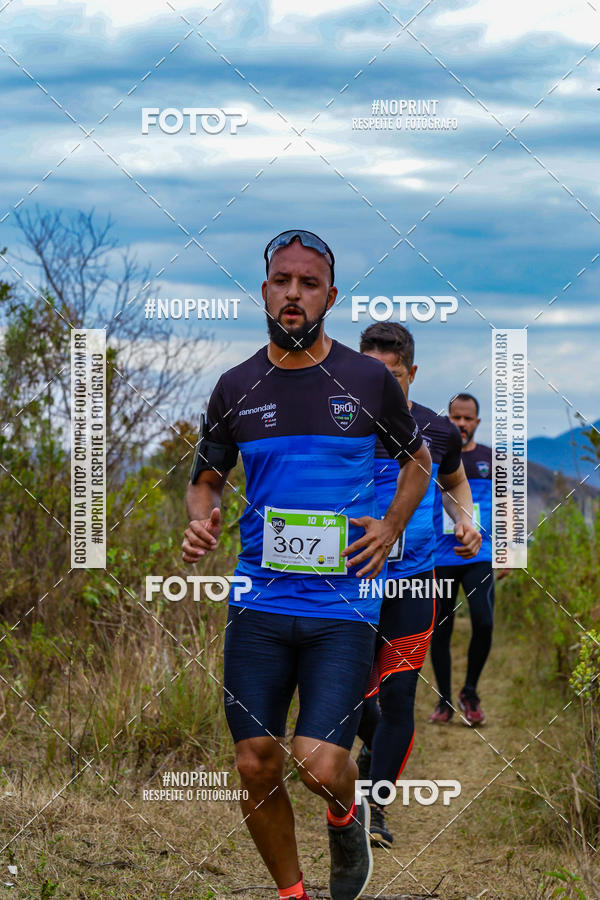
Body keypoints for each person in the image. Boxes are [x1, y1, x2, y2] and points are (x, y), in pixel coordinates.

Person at [181, 230, 432, 900]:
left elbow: (418, 460)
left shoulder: (368, 380)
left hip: (341, 608)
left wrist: (392, 525)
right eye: (283, 281)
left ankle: (344, 816)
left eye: (309, 283)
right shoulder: (236, 386)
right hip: (259, 604)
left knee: (319, 764)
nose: (294, 294)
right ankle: (294, 894)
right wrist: (200, 515)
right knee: (255, 762)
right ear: (265, 289)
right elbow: (206, 477)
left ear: (330, 295)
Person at [354, 323, 481, 848]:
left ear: (412, 373)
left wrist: (466, 520)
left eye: (393, 375)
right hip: (349, 586)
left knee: (401, 694)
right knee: (351, 699)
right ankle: (371, 754)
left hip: (412, 586)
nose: (379, 385)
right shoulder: (339, 424)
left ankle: (374, 810)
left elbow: (454, 483)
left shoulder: (438, 430)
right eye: (370, 373)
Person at [429, 392, 497, 727]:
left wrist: (511, 552)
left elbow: (509, 506)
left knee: (484, 621)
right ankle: (443, 700)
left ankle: (469, 692)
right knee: (439, 629)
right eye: (455, 417)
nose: (461, 424)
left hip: (478, 554)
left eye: (468, 418)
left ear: (477, 422)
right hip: (439, 556)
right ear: (448, 418)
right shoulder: (435, 455)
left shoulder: (490, 458)